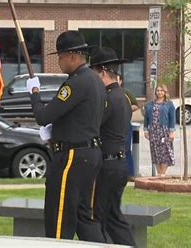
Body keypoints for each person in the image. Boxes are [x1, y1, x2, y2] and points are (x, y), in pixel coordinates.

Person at [27, 31, 106, 241]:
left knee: (59, 217)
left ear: (72, 55)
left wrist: (34, 93)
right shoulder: (96, 81)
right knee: (83, 217)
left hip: (73, 156)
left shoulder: (76, 82)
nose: (59, 62)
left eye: (60, 57)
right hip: (89, 153)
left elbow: (43, 116)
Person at [89, 47, 136, 246]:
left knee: (101, 217)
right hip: (118, 163)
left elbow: (92, 126)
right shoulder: (122, 96)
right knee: (112, 216)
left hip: (108, 166)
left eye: (93, 73)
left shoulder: (109, 98)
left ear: (103, 72)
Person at [143, 84, 176, 176]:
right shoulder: (150, 104)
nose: (159, 92)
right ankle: (159, 174)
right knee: (156, 153)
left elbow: (172, 118)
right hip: (153, 131)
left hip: (164, 131)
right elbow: (146, 118)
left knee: (165, 152)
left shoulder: (169, 104)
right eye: (158, 90)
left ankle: (162, 174)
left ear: (165, 92)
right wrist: (146, 130)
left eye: (161, 90)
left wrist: (172, 132)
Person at [118, 75, 140, 182]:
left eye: (117, 79)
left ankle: (130, 174)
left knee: (126, 150)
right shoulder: (104, 92)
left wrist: (125, 108)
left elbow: (136, 105)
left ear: (121, 81)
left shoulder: (126, 93)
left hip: (125, 125)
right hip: (111, 126)